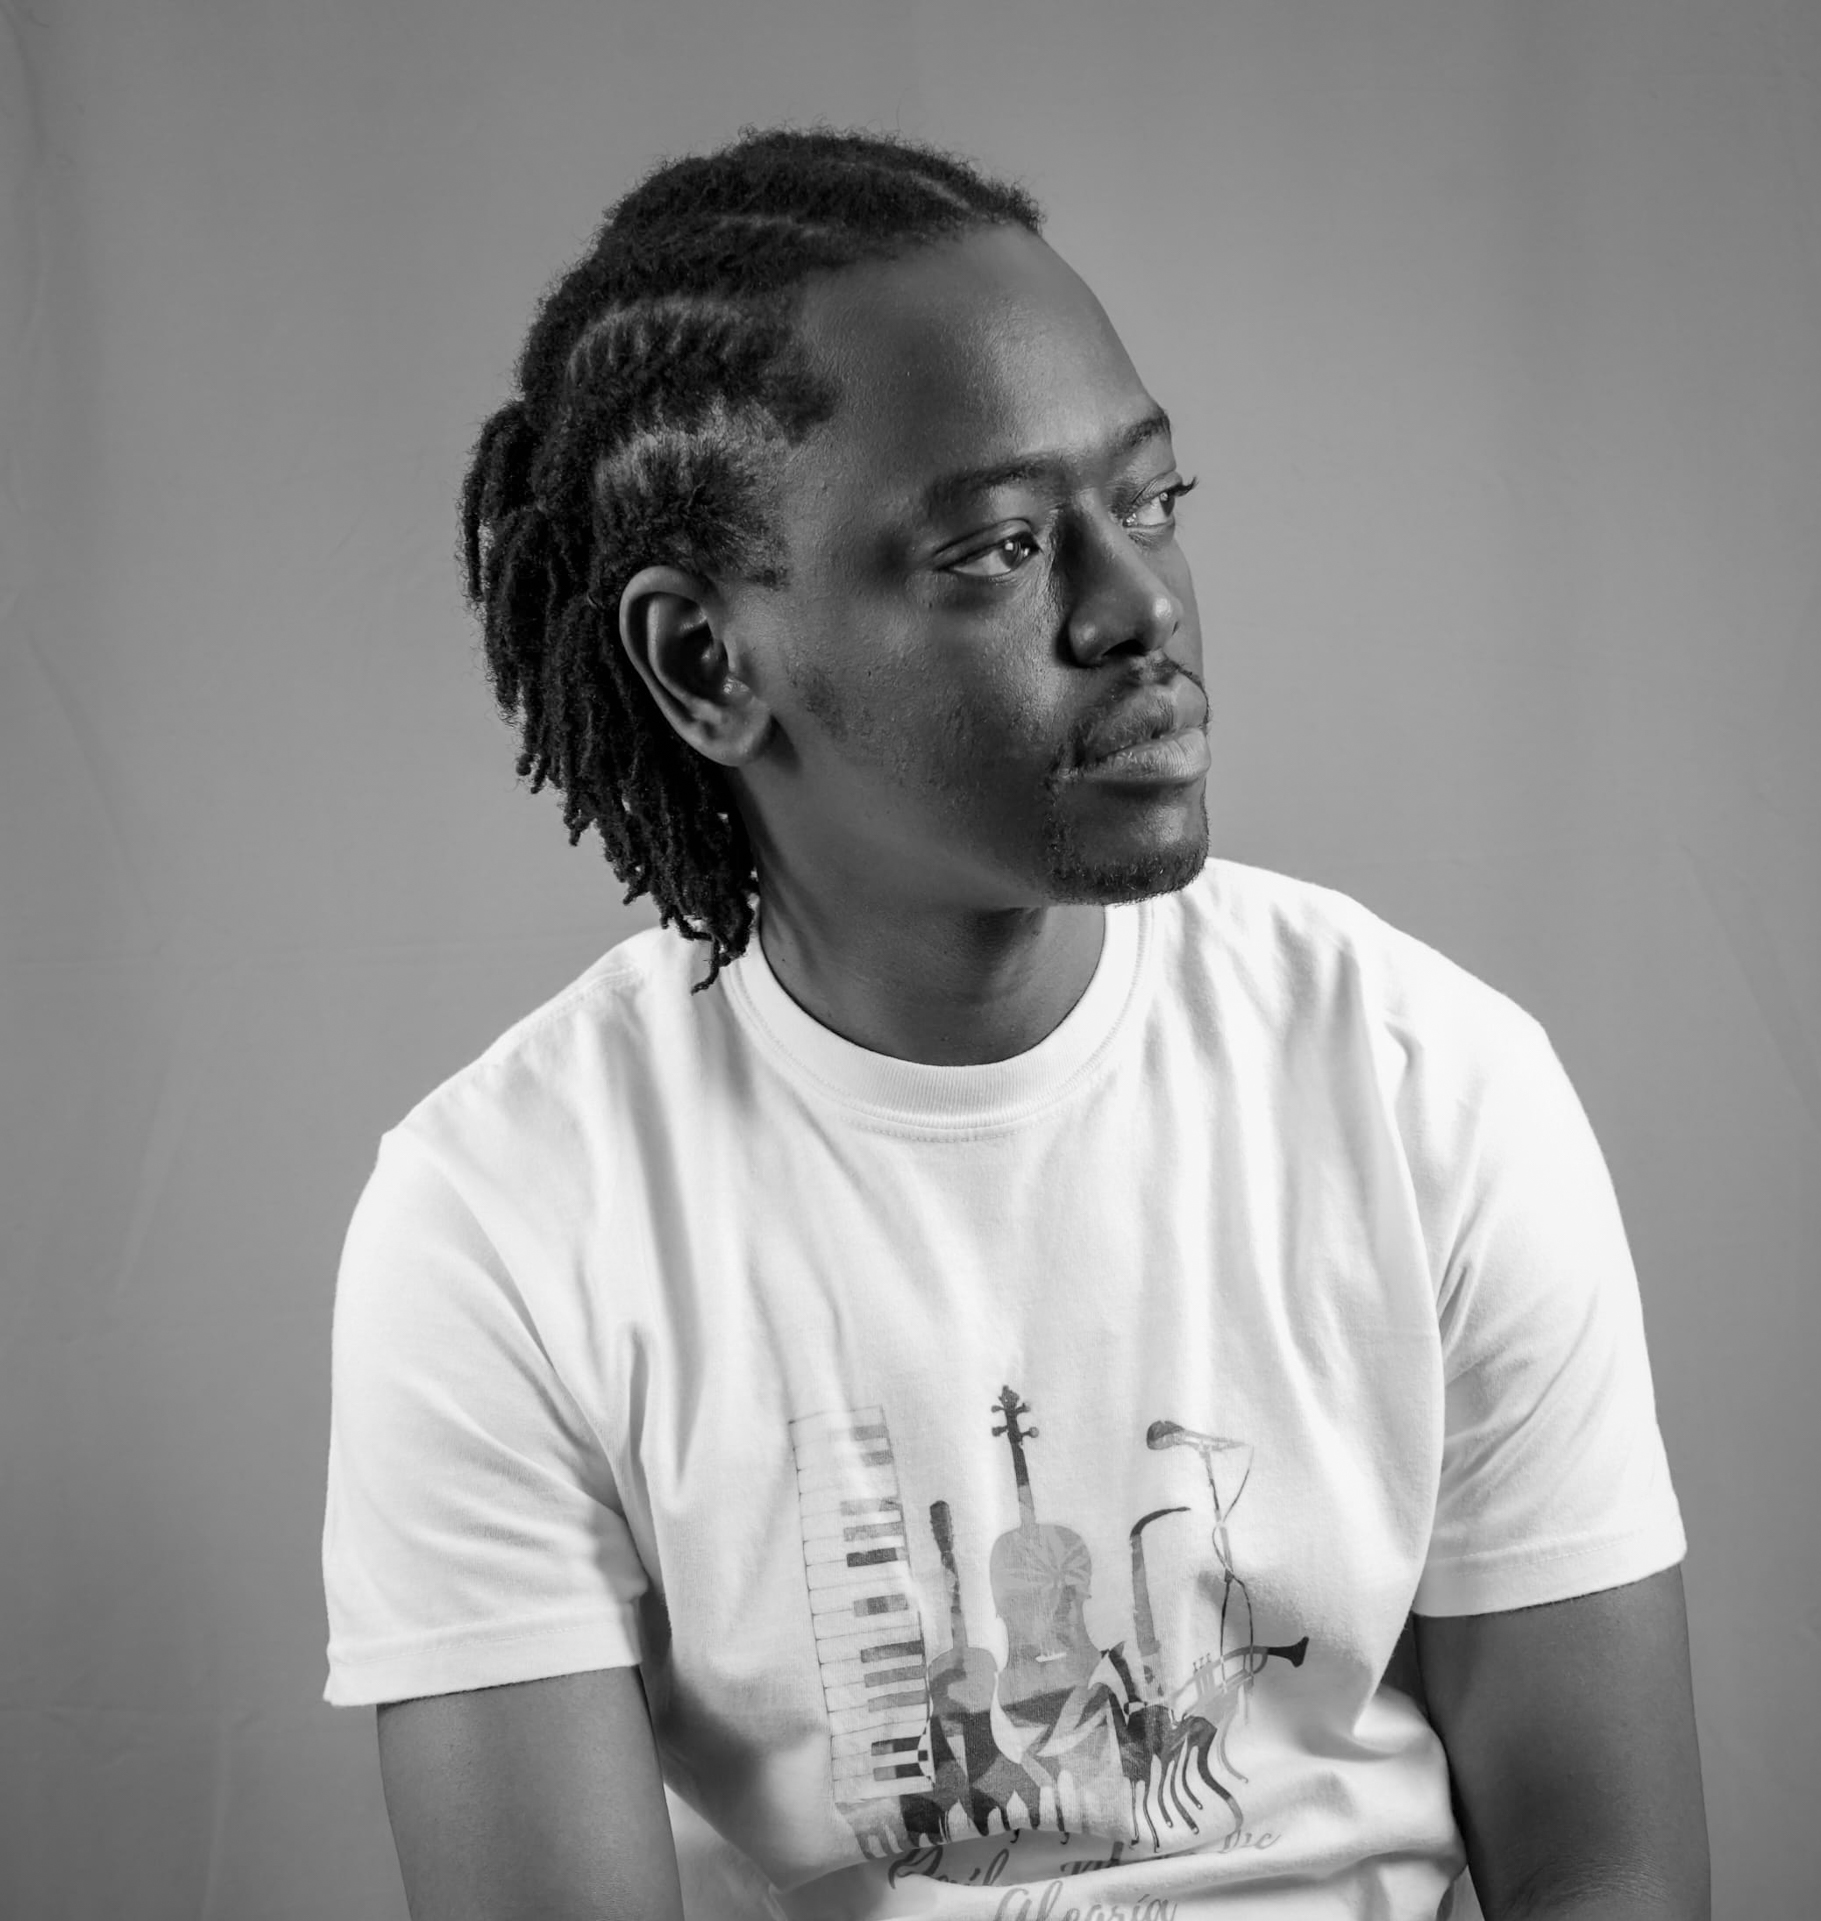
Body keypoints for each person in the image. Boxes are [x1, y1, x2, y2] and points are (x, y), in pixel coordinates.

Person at [321, 126, 1710, 1921]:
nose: (1140, 606)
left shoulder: (1432, 1087)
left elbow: (1613, 1874)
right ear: (707, 663)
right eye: (997, 548)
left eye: (1153, 500)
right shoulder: (500, 1220)